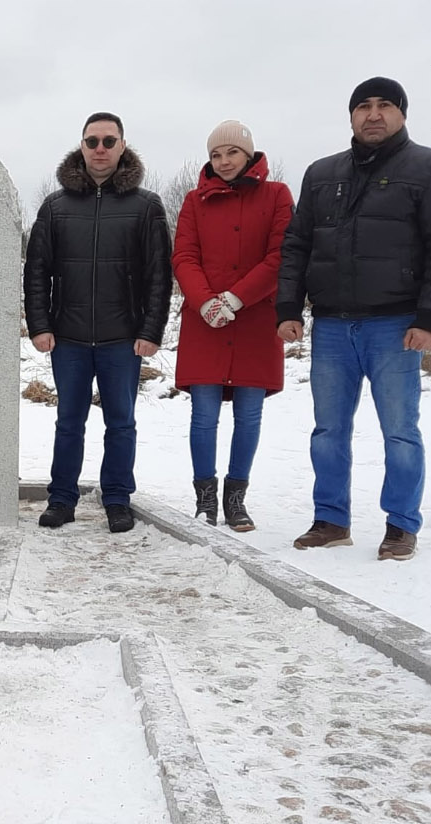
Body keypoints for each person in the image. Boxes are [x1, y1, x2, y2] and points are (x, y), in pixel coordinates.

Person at [277, 77, 431, 561]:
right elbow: (298, 243)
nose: (374, 114)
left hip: (395, 324)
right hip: (332, 326)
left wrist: (428, 317)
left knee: (400, 431)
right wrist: (288, 307)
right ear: (350, 116)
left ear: (402, 114)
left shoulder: (426, 168)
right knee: (328, 429)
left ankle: (401, 525)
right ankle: (331, 520)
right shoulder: (322, 174)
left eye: (385, 105)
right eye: (363, 106)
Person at [23, 111, 173, 534]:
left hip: (121, 339)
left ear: (123, 146)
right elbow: (37, 270)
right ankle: (61, 498)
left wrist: (150, 330)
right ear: (81, 146)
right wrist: (40, 324)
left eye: (109, 141)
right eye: (93, 142)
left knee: (121, 422)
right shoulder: (55, 206)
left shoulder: (146, 206)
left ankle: (117, 498)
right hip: (68, 337)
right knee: (69, 421)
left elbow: (159, 274)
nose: (101, 149)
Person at [172, 121, 293, 532]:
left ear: (249, 155)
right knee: (203, 415)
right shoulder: (193, 202)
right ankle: (205, 500)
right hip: (205, 322)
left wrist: (236, 298)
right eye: (215, 155)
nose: (223, 162)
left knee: (249, 414)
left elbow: (280, 256)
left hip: (255, 320)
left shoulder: (277, 196)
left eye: (232, 153)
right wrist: (206, 301)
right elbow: (184, 257)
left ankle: (236, 499)